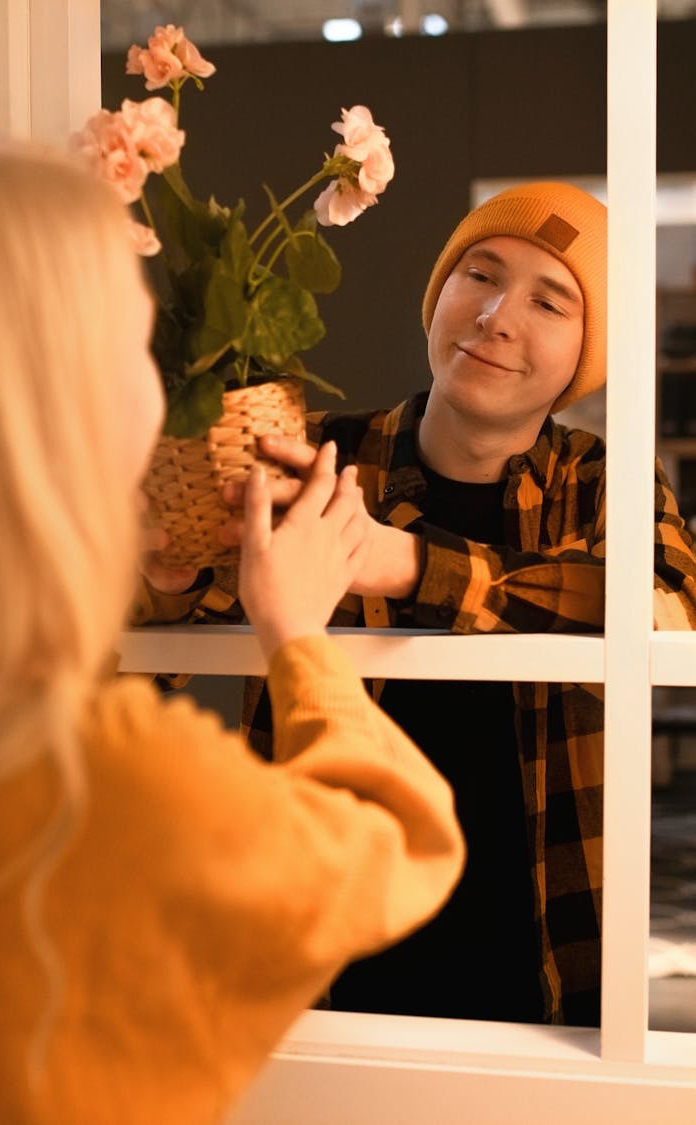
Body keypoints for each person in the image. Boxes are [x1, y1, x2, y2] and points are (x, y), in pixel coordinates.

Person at [0, 139, 467, 1125]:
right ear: (54, 401)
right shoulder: (103, 777)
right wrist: (301, 641)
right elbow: (398, 843)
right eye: (136, 342)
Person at [138, 180, 696, 1029]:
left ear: (590, 351)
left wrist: (407, 563)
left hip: (549, 951)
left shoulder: (605, 484)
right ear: (439, 295)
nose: (499, 315)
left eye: (551, 301)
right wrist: (167, 581)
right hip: (322, 953)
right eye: (480, 274)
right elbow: (171, 626)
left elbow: (669, 610)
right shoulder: (320, 453)